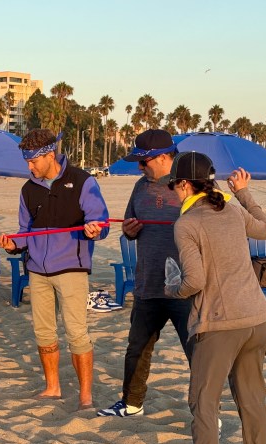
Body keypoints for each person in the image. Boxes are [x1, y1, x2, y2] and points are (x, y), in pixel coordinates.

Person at [164, 152, 266, 444]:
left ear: (184, 185)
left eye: (174, 186)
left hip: (219, 324)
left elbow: (194, 281)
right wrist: (242, 192)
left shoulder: (187, 223)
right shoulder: (233, 209)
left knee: (203, 403)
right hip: (256, 318)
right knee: (251, 395)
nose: (173, 191)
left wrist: (172, 289)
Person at [0, 128, 109, 409]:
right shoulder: (28, 188)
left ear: (49, 155)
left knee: (76, 333)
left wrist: (95, 230)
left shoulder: (83, 181)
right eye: (27, 161)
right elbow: (25, 231)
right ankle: (53, 387)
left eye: (33, 161)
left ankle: (85, 396)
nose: (29, 166)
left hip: (71, 267)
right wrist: (13, 244)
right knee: (44, 333)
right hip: (37, 270)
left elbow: (101, 221)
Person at [97, 129, 192, 418]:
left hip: (187, 286)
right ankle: (131, 403)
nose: (140, 167)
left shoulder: (191, 186)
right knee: (137, 348)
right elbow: (128, 225)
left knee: (198, 354)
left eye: (144, 161)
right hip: (148, 282)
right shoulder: (140, 186)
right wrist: (128, 231)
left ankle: (206, 411)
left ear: (164, 157)